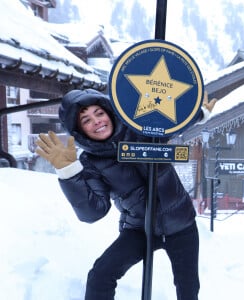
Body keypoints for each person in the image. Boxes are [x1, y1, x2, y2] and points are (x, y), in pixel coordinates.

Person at [35, 88, 216, 300]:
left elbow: (171, 126)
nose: (96, 121)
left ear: (110, 113)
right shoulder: (91, 163)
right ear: (78, 130)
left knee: (188, 288)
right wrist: (68, 172)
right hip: (139, 228)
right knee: (100, 276)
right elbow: (93, 212)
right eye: (86, 119)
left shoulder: (141, 130)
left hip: (180, 223)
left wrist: (199, 113)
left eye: (99, 113)